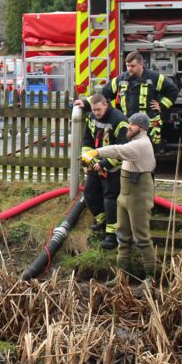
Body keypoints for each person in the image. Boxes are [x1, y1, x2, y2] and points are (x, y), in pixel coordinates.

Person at [82, 112, 158, 284]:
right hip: (124, 196)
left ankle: (150, 278)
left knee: (142, 238)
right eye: (129, 123)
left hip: (138, 197)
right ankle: (121, 275)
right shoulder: (134, 142)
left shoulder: (141, 145)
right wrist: (99, 164)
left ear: (142, 128)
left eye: (132, 124)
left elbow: (118, 150)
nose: (128, 126)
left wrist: (95, 152)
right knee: (122, 236)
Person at [77, 52, 178, 148]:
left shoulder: (154, 77)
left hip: (149, 127)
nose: (129, 69)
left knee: (147, 157)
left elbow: (173, 91)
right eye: (127, 66)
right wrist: (85, 103)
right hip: (129, 126)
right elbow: (104, 93)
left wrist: (161, 105)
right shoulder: (121, 79)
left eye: (132, 66)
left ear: (141, 65)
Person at [77, 93, 128, 250]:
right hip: (95, 164)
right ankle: (102, 221)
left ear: (106, 105)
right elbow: (87, 141)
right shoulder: (92, 117)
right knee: (90, 194)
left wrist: (105, 164)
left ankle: (111, 236)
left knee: (110, 200)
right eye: (93, 110)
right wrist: (88, 161)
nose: (96, 113)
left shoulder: (119, 121)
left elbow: (123, 149)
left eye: (99, 110)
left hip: (114, 168)